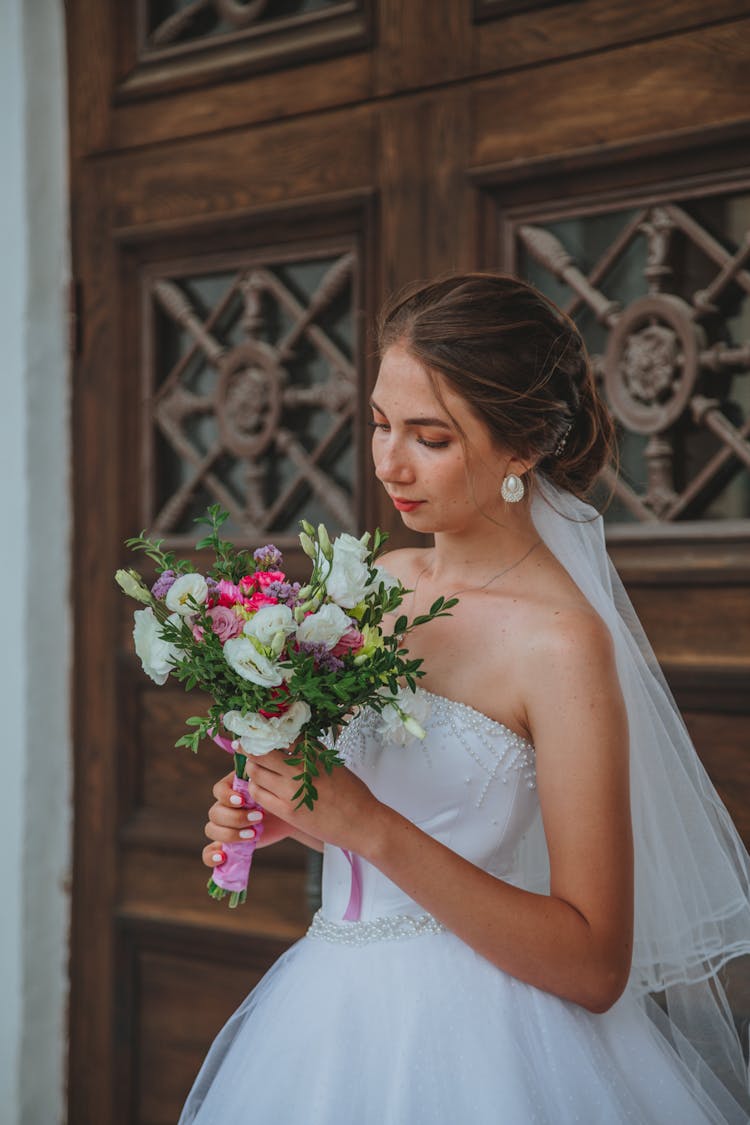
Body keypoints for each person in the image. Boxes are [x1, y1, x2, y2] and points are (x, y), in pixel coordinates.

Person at [179, 274, 750, 1124]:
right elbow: (396, 808)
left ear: (522, 449)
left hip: (486, 1042)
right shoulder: (376, 582)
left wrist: (366, 824)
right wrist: (295, 813)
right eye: (379, 423)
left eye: (431, 437)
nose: (388, 463)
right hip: (327, 1015)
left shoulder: (561, 643)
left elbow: (596, 965)